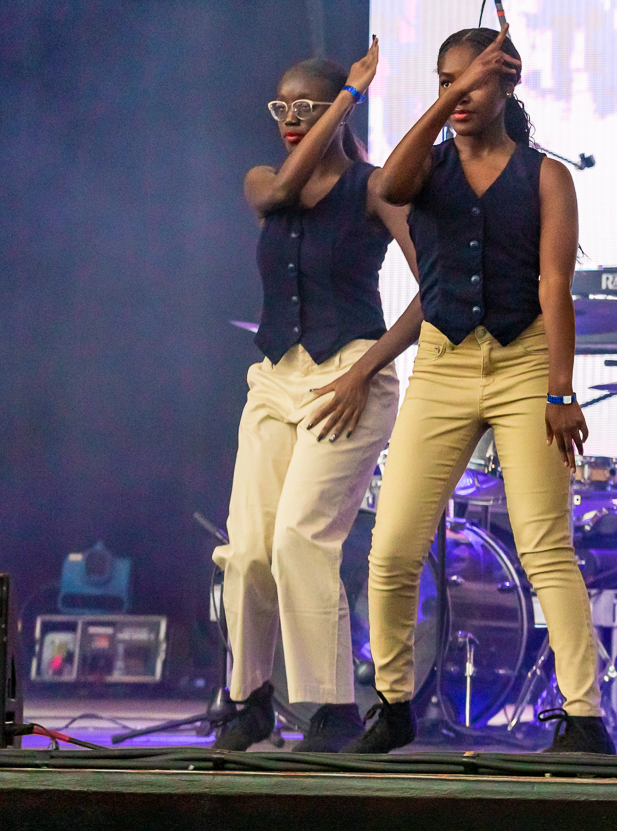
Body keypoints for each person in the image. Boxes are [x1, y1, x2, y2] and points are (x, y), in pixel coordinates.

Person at [351, 23, 614, 755]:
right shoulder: (425, 167)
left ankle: (584, 715)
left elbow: (554, 286)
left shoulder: (546, 176)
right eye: (447, 83)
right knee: (391, 548)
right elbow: (387, 187)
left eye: (473, 82)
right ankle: (393, 704)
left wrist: (561, 389)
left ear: (509, 83)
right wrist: (446, 102)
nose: (459, 95)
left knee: (545, 545)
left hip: (523, 360)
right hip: (442, 363)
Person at [212, 38, 424, 752]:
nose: (291, 119)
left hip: (351, 371)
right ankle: (249, 700)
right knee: (247, 548)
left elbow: (435, 288)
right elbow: (277, 196)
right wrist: (345, 99)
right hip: (275, 376)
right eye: (283, 107)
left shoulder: (374, 187)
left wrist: (365, 372)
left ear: (338, 110)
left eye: (307, 106)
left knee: (301, 537)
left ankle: (332, 709)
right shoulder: (262, 181)